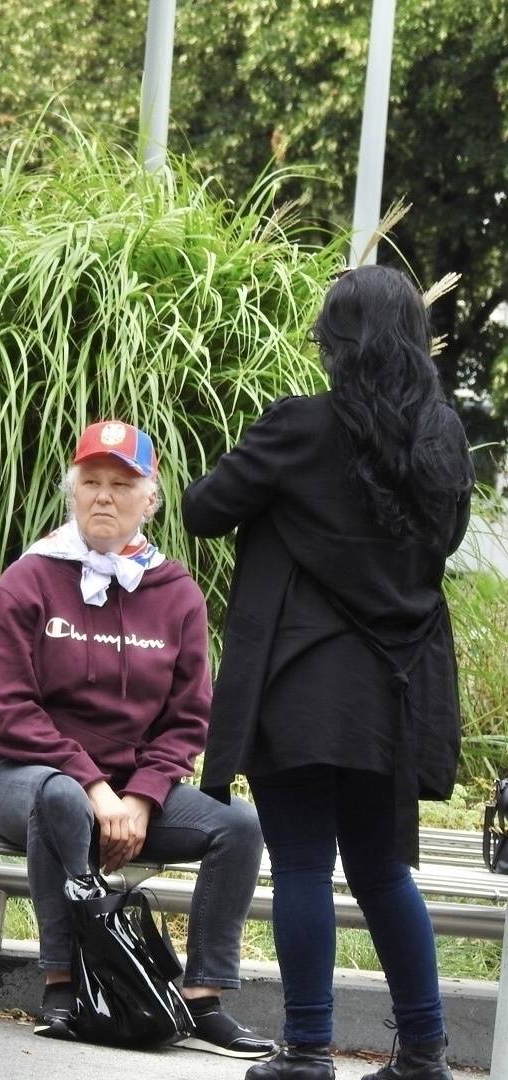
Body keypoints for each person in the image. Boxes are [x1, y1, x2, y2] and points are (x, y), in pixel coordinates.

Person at [182, 265, 474, 1080]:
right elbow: (441, 546)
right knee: (384, 871)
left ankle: (307, 1050)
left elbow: (206, 509)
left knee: (304, 864)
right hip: (399, 687)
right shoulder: (442, 438)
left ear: (338, 343)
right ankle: (423, 1052)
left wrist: (286, 502)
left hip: (304, 684)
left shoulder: (301, 427)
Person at [0, 419, 276, 1058]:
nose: (104, 497)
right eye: (91, 482)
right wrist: (94, 788)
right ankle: (65, 984)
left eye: (122, 484)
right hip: (22, 776)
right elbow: (9, 712)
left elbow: (189, 718)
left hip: (130, 793)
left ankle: (202, 1000)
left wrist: (140, 796)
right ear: (72, 492)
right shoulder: (29, 579)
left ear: (150, 498)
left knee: (239, 825)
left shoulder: (176, 593)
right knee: (59, 800)